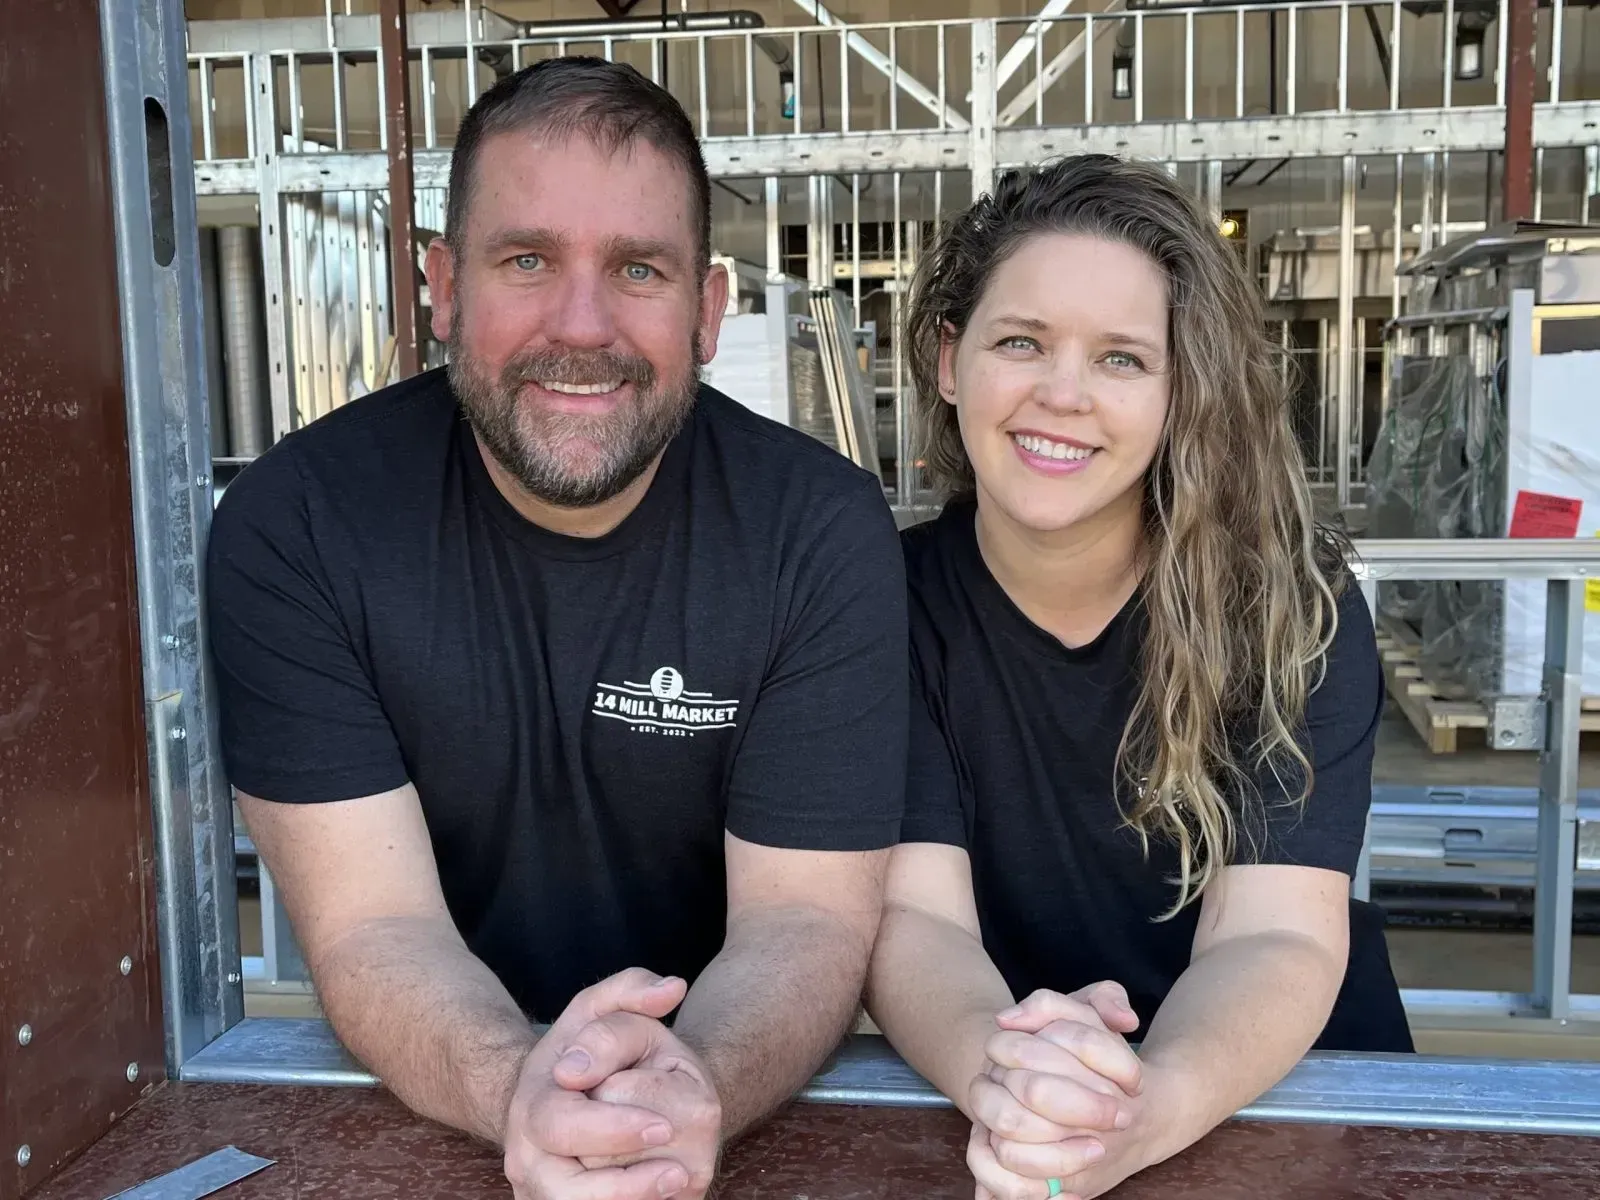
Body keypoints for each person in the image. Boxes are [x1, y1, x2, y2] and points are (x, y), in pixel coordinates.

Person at [205, 57, 907, 1200]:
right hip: (439, 1105)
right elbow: (372, 927)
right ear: (442, 286)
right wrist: (517, 1091)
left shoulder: (817, 530)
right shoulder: (300, 522)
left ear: (707, 309)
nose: (581, 326)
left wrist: (687, 1096)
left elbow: (805, 923)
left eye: (638, 268)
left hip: (733, 1114)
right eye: (526, 260)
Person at [865, 154, 1413, 1200]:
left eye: (1121, 359)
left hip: (1282, 1101)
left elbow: (1276, 934)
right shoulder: (883, 606)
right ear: (948, 359)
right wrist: (1006, 1080)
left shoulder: (1289, 609)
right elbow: (916, 921)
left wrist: (1141, 1106)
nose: (1061, 394)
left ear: (1179, 392)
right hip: (1020, 1111)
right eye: (1020, 341)